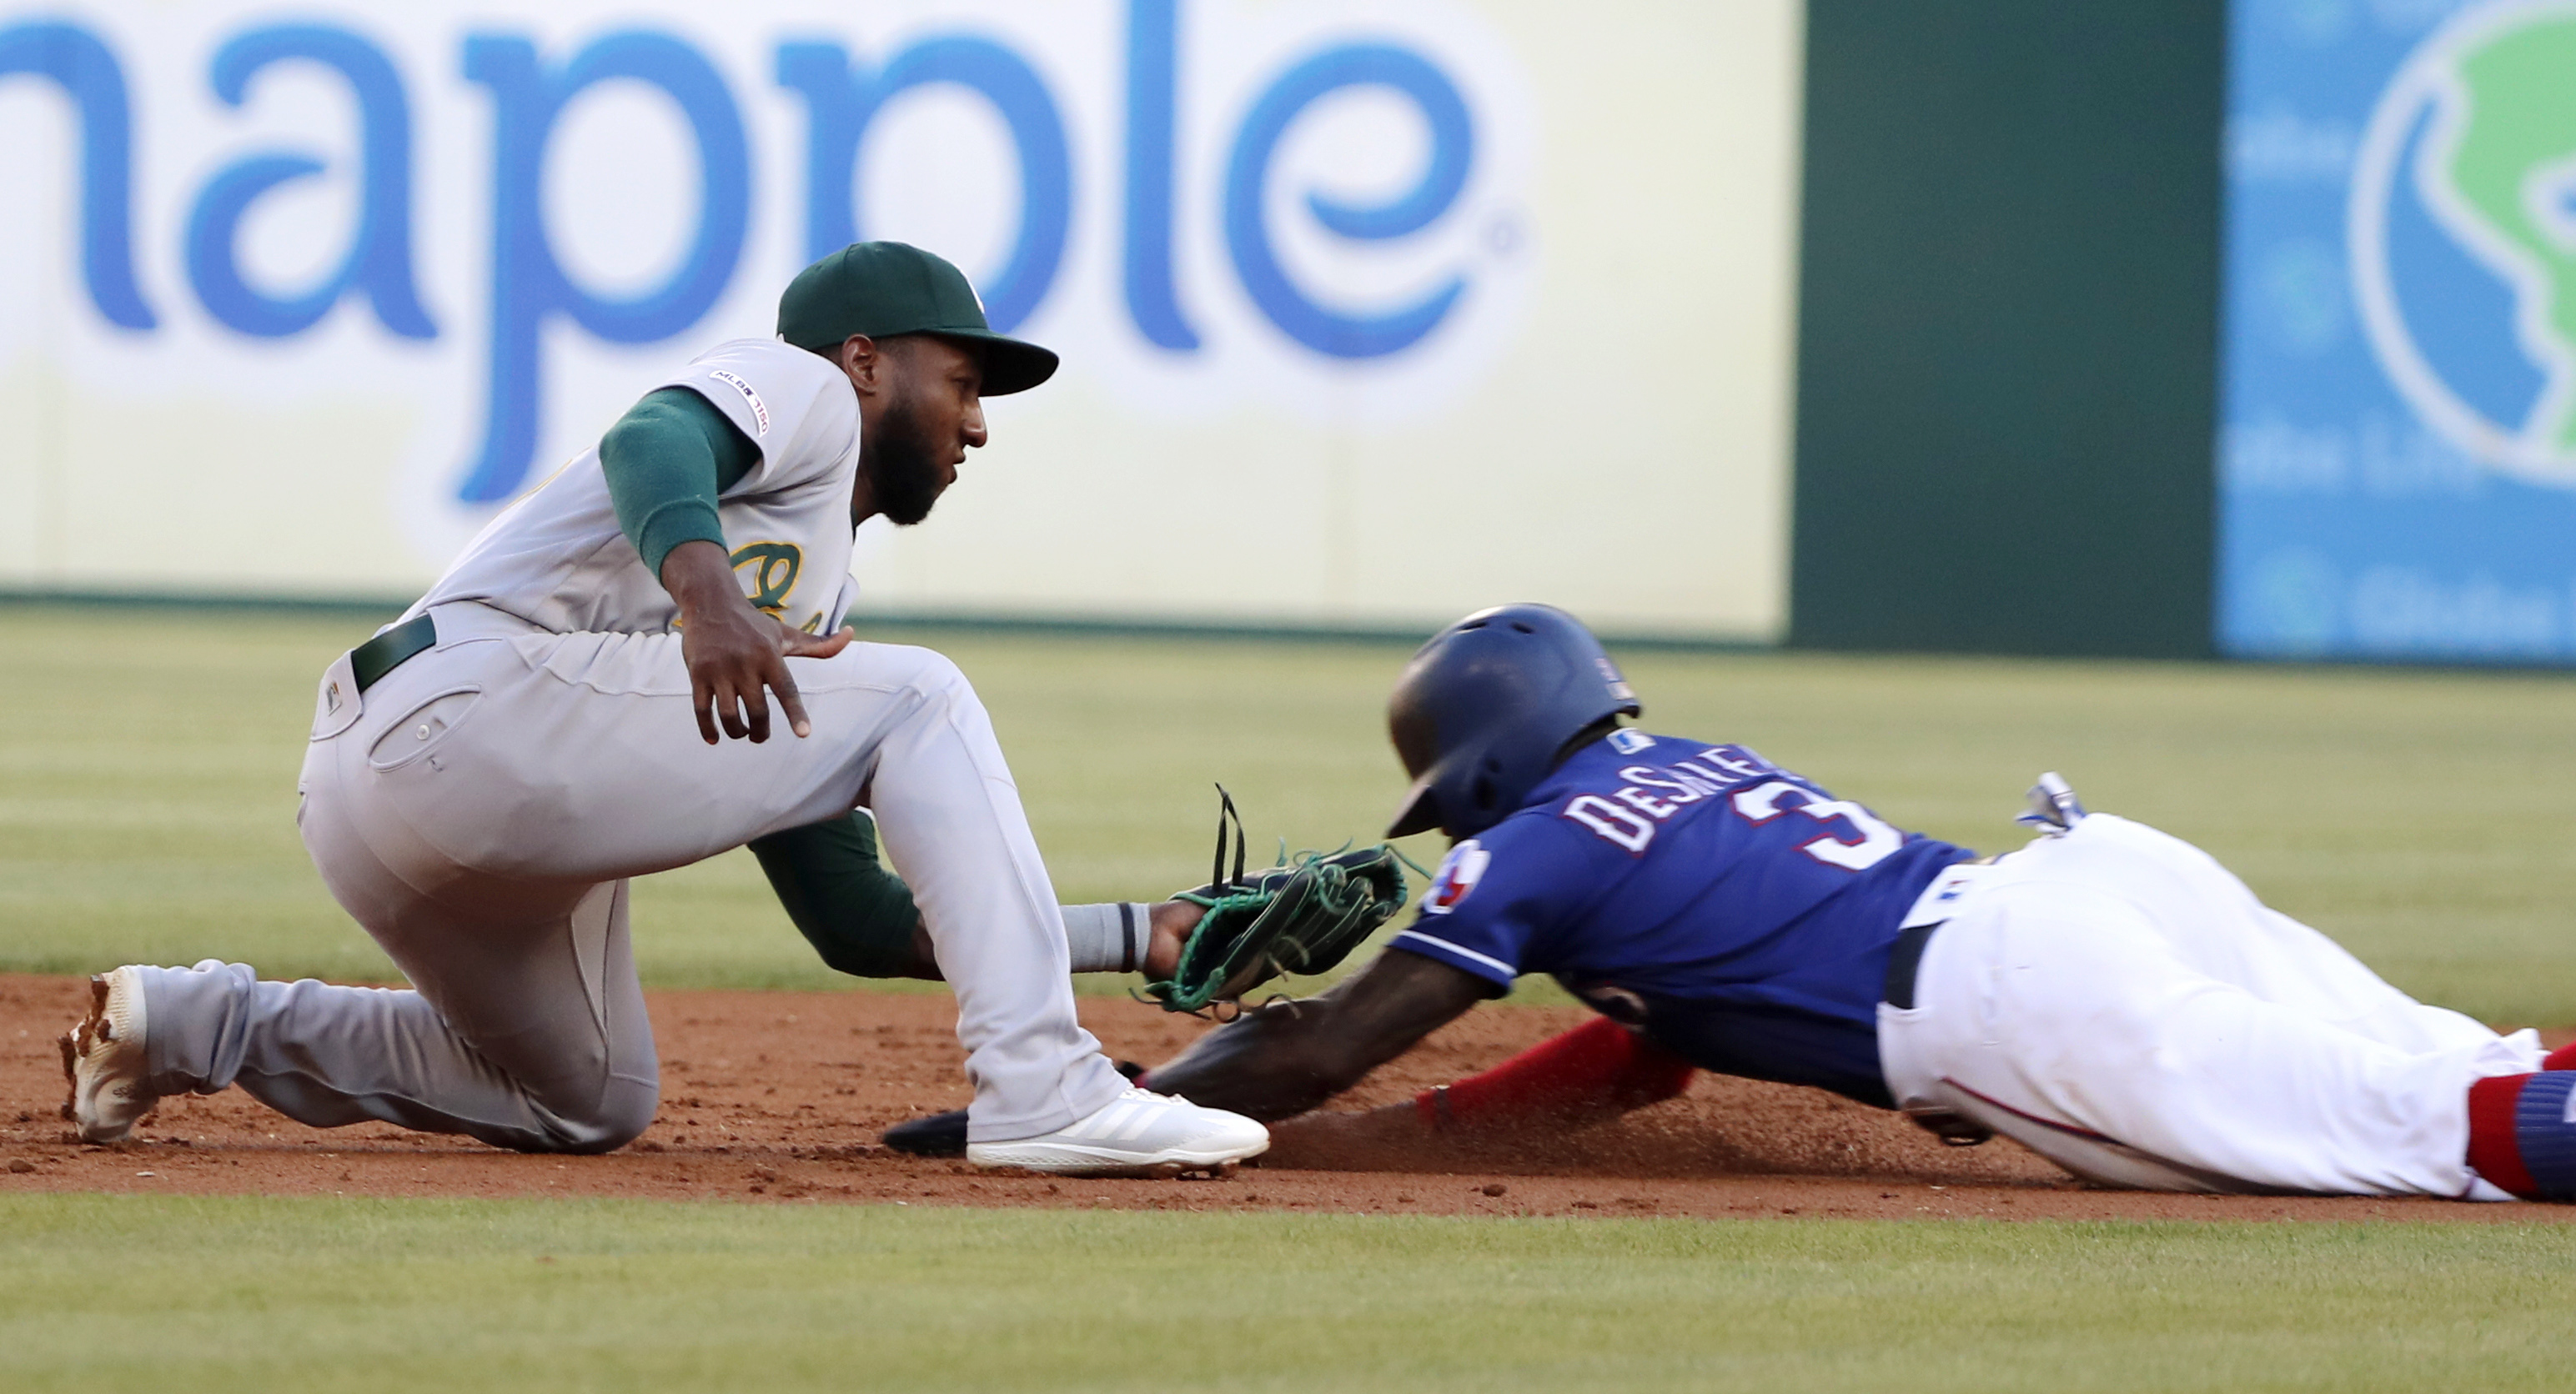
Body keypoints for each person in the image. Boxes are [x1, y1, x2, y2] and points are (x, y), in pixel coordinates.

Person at [59, 241, 1268, 1176]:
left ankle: (195, 1022)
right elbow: (654, 432)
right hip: (471, 704)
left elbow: (851, 915)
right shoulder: (801, 389)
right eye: (958, 380)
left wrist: (1137, 930)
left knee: (584, 1097)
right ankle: (1043, 1088)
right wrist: (706, 602)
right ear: (864, 361)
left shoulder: (810, 576)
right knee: (924, 691)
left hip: (398, 798)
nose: (978, 421)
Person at [1112, 603, 2576, 1201]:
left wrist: (1139, 1102)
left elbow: (1314, 1049)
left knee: (2440, 1139)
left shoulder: (1534, 851)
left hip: (2019, 1005)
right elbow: (1646, 1053)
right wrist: (1397, 1143)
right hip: (2099, 874)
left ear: (1480, 769)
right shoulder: (1695, 764)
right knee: (2473, 1067)